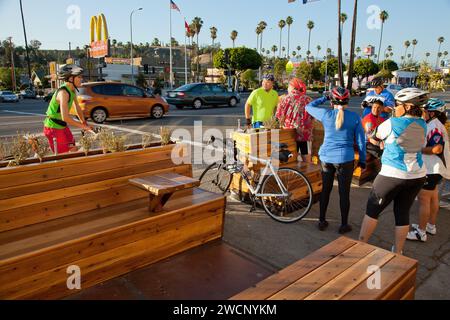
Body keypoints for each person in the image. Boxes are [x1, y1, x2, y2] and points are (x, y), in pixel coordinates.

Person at [359, 88, 429, 255]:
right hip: (417, 175)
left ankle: (360, 247)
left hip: (392, 174)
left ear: (408, 106)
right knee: (402, 213)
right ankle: (398, 251)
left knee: (372, 211)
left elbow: (374, 138)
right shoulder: (423, 124)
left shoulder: (391, 123)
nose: (393, 107)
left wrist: (381, 143)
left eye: (397, 104)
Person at [306, 87, 366, 234]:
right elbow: (361, 141)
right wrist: (362, 159)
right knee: (344, 193)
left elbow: (308, 107)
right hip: (346, 158)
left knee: (325, 190)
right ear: (348, 101)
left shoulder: (326, 114)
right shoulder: (355, 117)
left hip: (327, 157)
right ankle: (344, 225)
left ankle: (321, 221)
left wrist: (324, 98)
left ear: (332, 101)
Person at [407, 98, 450, 242]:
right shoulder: (436, 124)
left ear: (432, 113)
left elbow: (437, 148)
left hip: (432, 169)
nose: (424, 113)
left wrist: (418, 149)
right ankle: (430, 225)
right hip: (436, 170)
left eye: (426, 111)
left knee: (424, 200)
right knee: (433, 198)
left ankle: (421, 232)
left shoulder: (434, 126)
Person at [43, 64, 92, 154]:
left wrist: (83, 121)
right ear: (70, 79)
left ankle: (45, 151)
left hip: (62, 126)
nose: (81, 79)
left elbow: (77, 107)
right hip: (53, 127)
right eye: (79, 77)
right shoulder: (63, 93)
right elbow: (65, 117)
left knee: (73, 149)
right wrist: (84, 127)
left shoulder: (72, 90)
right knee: (63, 156)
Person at [276, 78, 313, 162]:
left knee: (291, 157)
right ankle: (307, 173)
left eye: (288, 86)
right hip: (304, 134)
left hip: (289, 133)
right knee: (306, 155)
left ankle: (295, 173)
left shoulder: (284, 99)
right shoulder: (308, 99)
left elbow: (279, 117)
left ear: (292, 87)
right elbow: (313, 117)